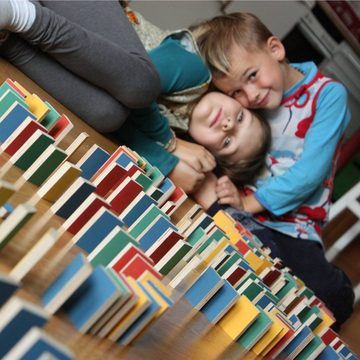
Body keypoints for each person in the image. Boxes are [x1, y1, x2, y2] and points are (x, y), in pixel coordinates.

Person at [192, 12, 354, 328]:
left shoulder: (327, 95)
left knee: (327, 298)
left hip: (295, 227)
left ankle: (334, 288)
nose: (250, 96)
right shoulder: (253, 103)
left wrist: (247, 205)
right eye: (236, 92)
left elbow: (309, 175)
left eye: (251, 76)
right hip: (246, 212)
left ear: (276, 49)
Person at [0, 0, 217, 194]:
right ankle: (16, 14)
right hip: (127, 77)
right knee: (140, 87)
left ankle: (9, 28)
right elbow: (138, 85)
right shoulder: (198, 75)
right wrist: (166, 148)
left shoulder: (183, 121)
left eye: (226, 144)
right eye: (250, 76)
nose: (252, 96)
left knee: (108, 114)